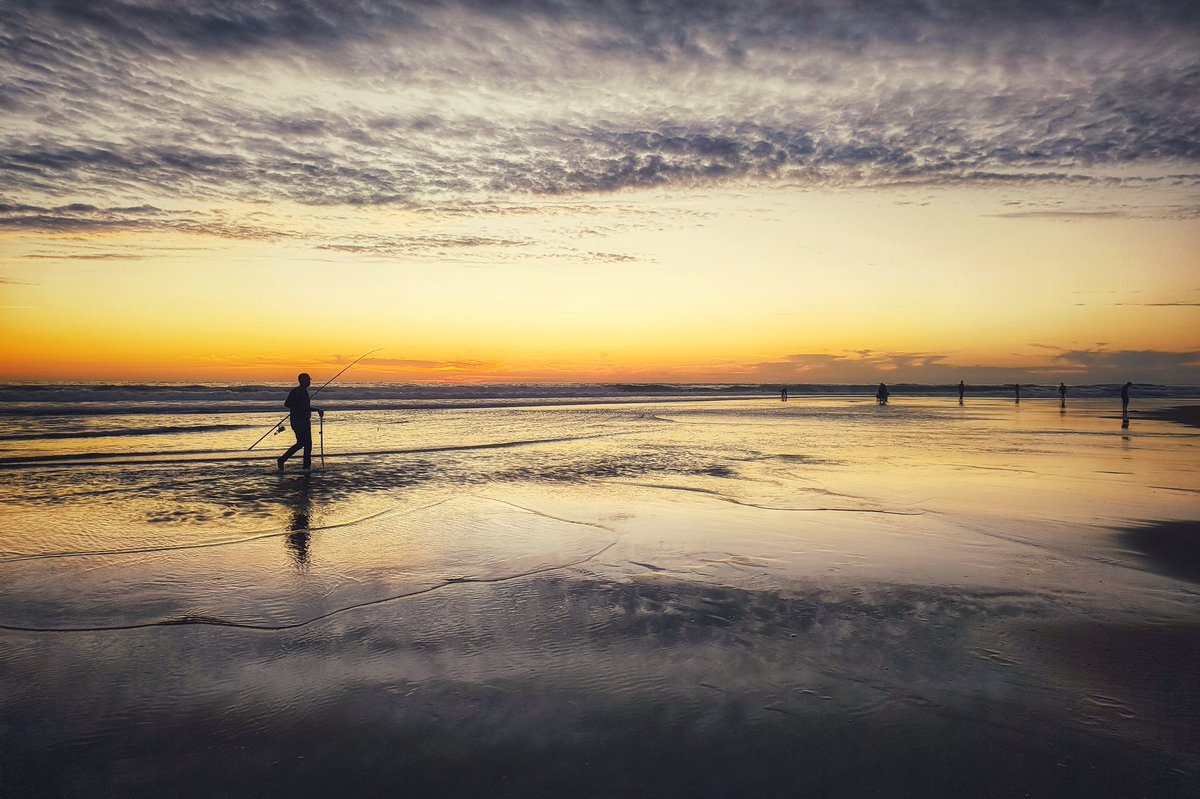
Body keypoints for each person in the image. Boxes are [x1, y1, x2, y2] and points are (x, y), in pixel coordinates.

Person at [277, 373, 323, 471]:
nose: (310, 382)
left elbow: (287, 404)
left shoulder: (295, 391)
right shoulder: (303, 392)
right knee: (306, 444)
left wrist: (296, 406)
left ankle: (300, 464)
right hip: (302, 421)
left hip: (294, 421)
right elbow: (304, 408)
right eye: (308, 380)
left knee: (303, 443)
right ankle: (303, 466)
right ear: (303, 381)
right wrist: (317, 410)